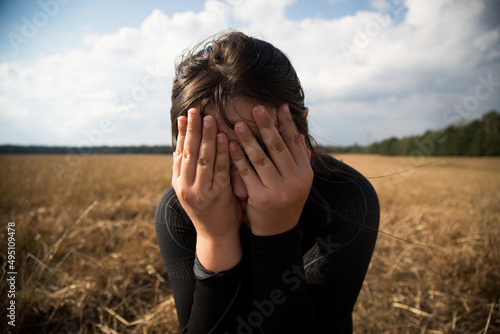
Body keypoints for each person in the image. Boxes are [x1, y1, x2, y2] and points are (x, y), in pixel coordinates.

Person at [155, 31, 379, 334]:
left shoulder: (346, 198)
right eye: (216, 162)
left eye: (260, 151)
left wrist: (277, 233)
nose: (240, 189)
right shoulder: (180, 209)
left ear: (301, 130)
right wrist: (214, 238)